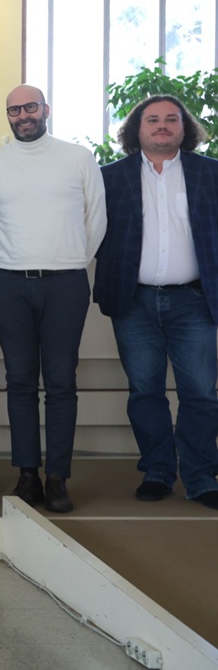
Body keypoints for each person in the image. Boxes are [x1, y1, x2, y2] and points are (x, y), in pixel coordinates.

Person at [0, 84, 106, 513]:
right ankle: (27, 476)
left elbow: (96, 219)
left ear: (46, 109)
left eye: (29, 107)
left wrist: (69, 261)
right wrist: (22, 259)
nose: (22, 115)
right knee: (18, 381)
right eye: (14, 109)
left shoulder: (77, 158)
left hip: (66, 282)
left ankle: (58, 479)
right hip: (11, 282)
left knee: (60, 382)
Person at [94, 95, 218, 510]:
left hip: (195, 301)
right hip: (134, 302)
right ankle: (158, 471)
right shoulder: (109, 177)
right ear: (137, 128)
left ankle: (201, 477)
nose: (162, 126)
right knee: (145, 391)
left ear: (185, 128)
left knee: (200, 393)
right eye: (152, 120)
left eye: (171, 119)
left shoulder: (211, 174)